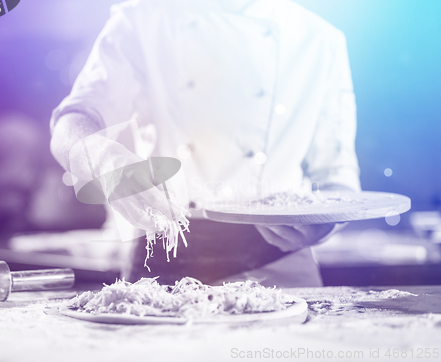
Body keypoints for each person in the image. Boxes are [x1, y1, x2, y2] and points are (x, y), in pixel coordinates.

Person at [50, 0, 361, 287]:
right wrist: (106, 163)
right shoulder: (142, 20)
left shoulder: (320, 40)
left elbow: (338, 177)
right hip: (160, 263)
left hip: (281, 264)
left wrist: (325, 224)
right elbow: (70, 122)